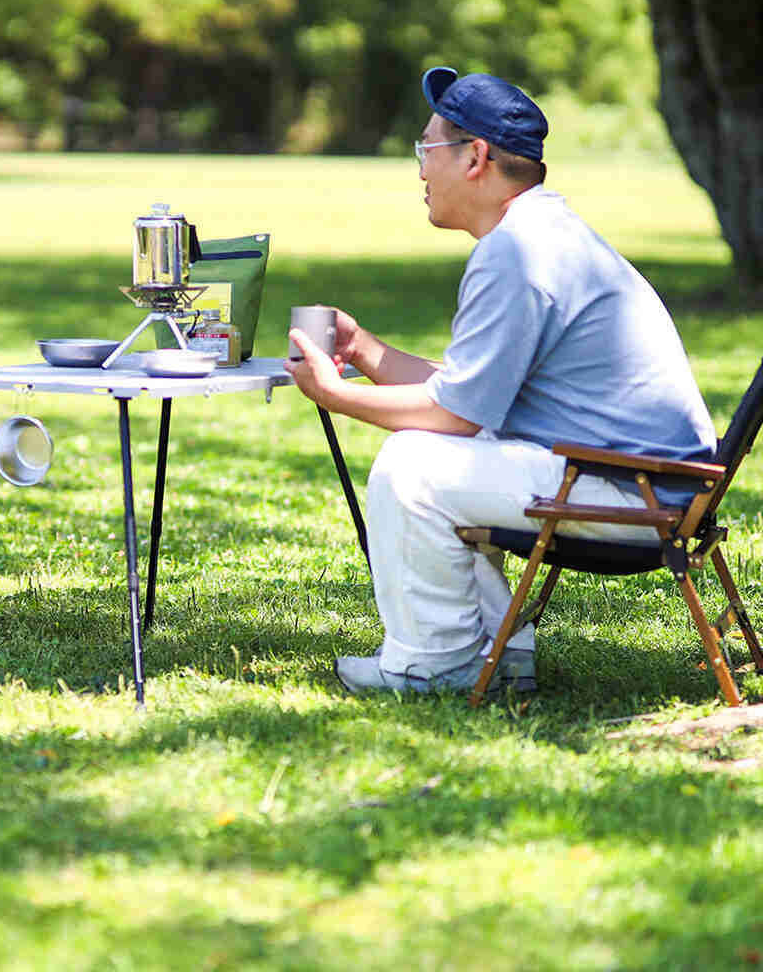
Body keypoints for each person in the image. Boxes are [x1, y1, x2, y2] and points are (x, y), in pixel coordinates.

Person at [285, 67, 716, 696]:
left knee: (412, 466)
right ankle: (497, 655)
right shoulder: (539, 235)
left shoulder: (517, 252)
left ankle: (435, 665)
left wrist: (335, 394)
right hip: (648, 483)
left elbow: (454, 416)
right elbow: (471, 394)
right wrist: (365, 352)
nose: (421, 171)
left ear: (475, 157)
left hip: (637, 495)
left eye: (426, 149)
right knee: (438, 450)